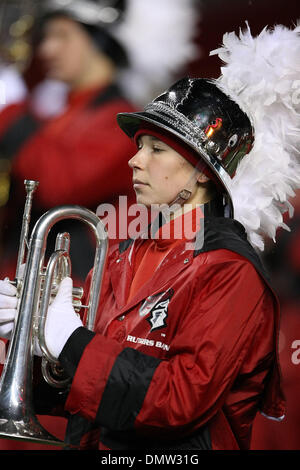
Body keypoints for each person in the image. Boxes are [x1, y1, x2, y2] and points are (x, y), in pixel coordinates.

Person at [0, 23, 299, 451]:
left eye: (156, 150)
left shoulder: (231, 272)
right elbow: (86, 394)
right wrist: (32, 338)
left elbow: (177, 402)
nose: (135, 161)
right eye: (140, 146)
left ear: (201, 172)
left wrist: (71, 340)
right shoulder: (127, 252)